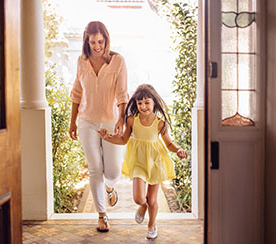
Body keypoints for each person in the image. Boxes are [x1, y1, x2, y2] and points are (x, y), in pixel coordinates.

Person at [98, 84, 188, 240]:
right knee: (139, 198)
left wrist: (178, 149)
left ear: (154, 102)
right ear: (136, 104)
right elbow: (123, 140)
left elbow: (169, 144)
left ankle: (152, 225)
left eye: (147, 102)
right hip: (139, 161)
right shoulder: (132, 120)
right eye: (140, 103)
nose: (143, 106)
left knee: (152, 199)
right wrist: (107, 137)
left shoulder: (160, 123)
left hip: (156, 162)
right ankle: (143, 207)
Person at [69, 21, 129, 232]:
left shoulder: (117, 61)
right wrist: (72, 122)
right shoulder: (81, 61)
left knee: (112, 171)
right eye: (93, 42)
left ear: (106, 39)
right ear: (87, 41)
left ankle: (110, 188)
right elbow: (77, 93)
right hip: (87, 122)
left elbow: (122, 94)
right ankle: (102, 216)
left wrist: (121, 118)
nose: (97, 46)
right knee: (95, 169)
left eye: (100, 41)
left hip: (111, 121)